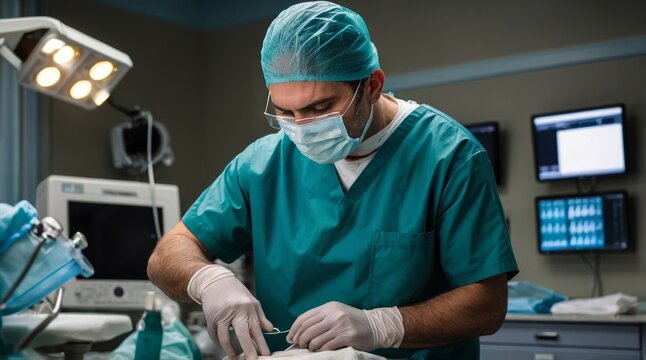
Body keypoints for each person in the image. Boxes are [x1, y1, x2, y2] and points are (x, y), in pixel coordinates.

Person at [147, 1, 518, 359]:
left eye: (320, 108)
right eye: (285, 111)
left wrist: (383, 325)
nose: (303, 126)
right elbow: (168, 254)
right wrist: (208, 279)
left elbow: (487, 304)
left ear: (371, 86)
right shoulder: (263, 162)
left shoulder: (448, 156)